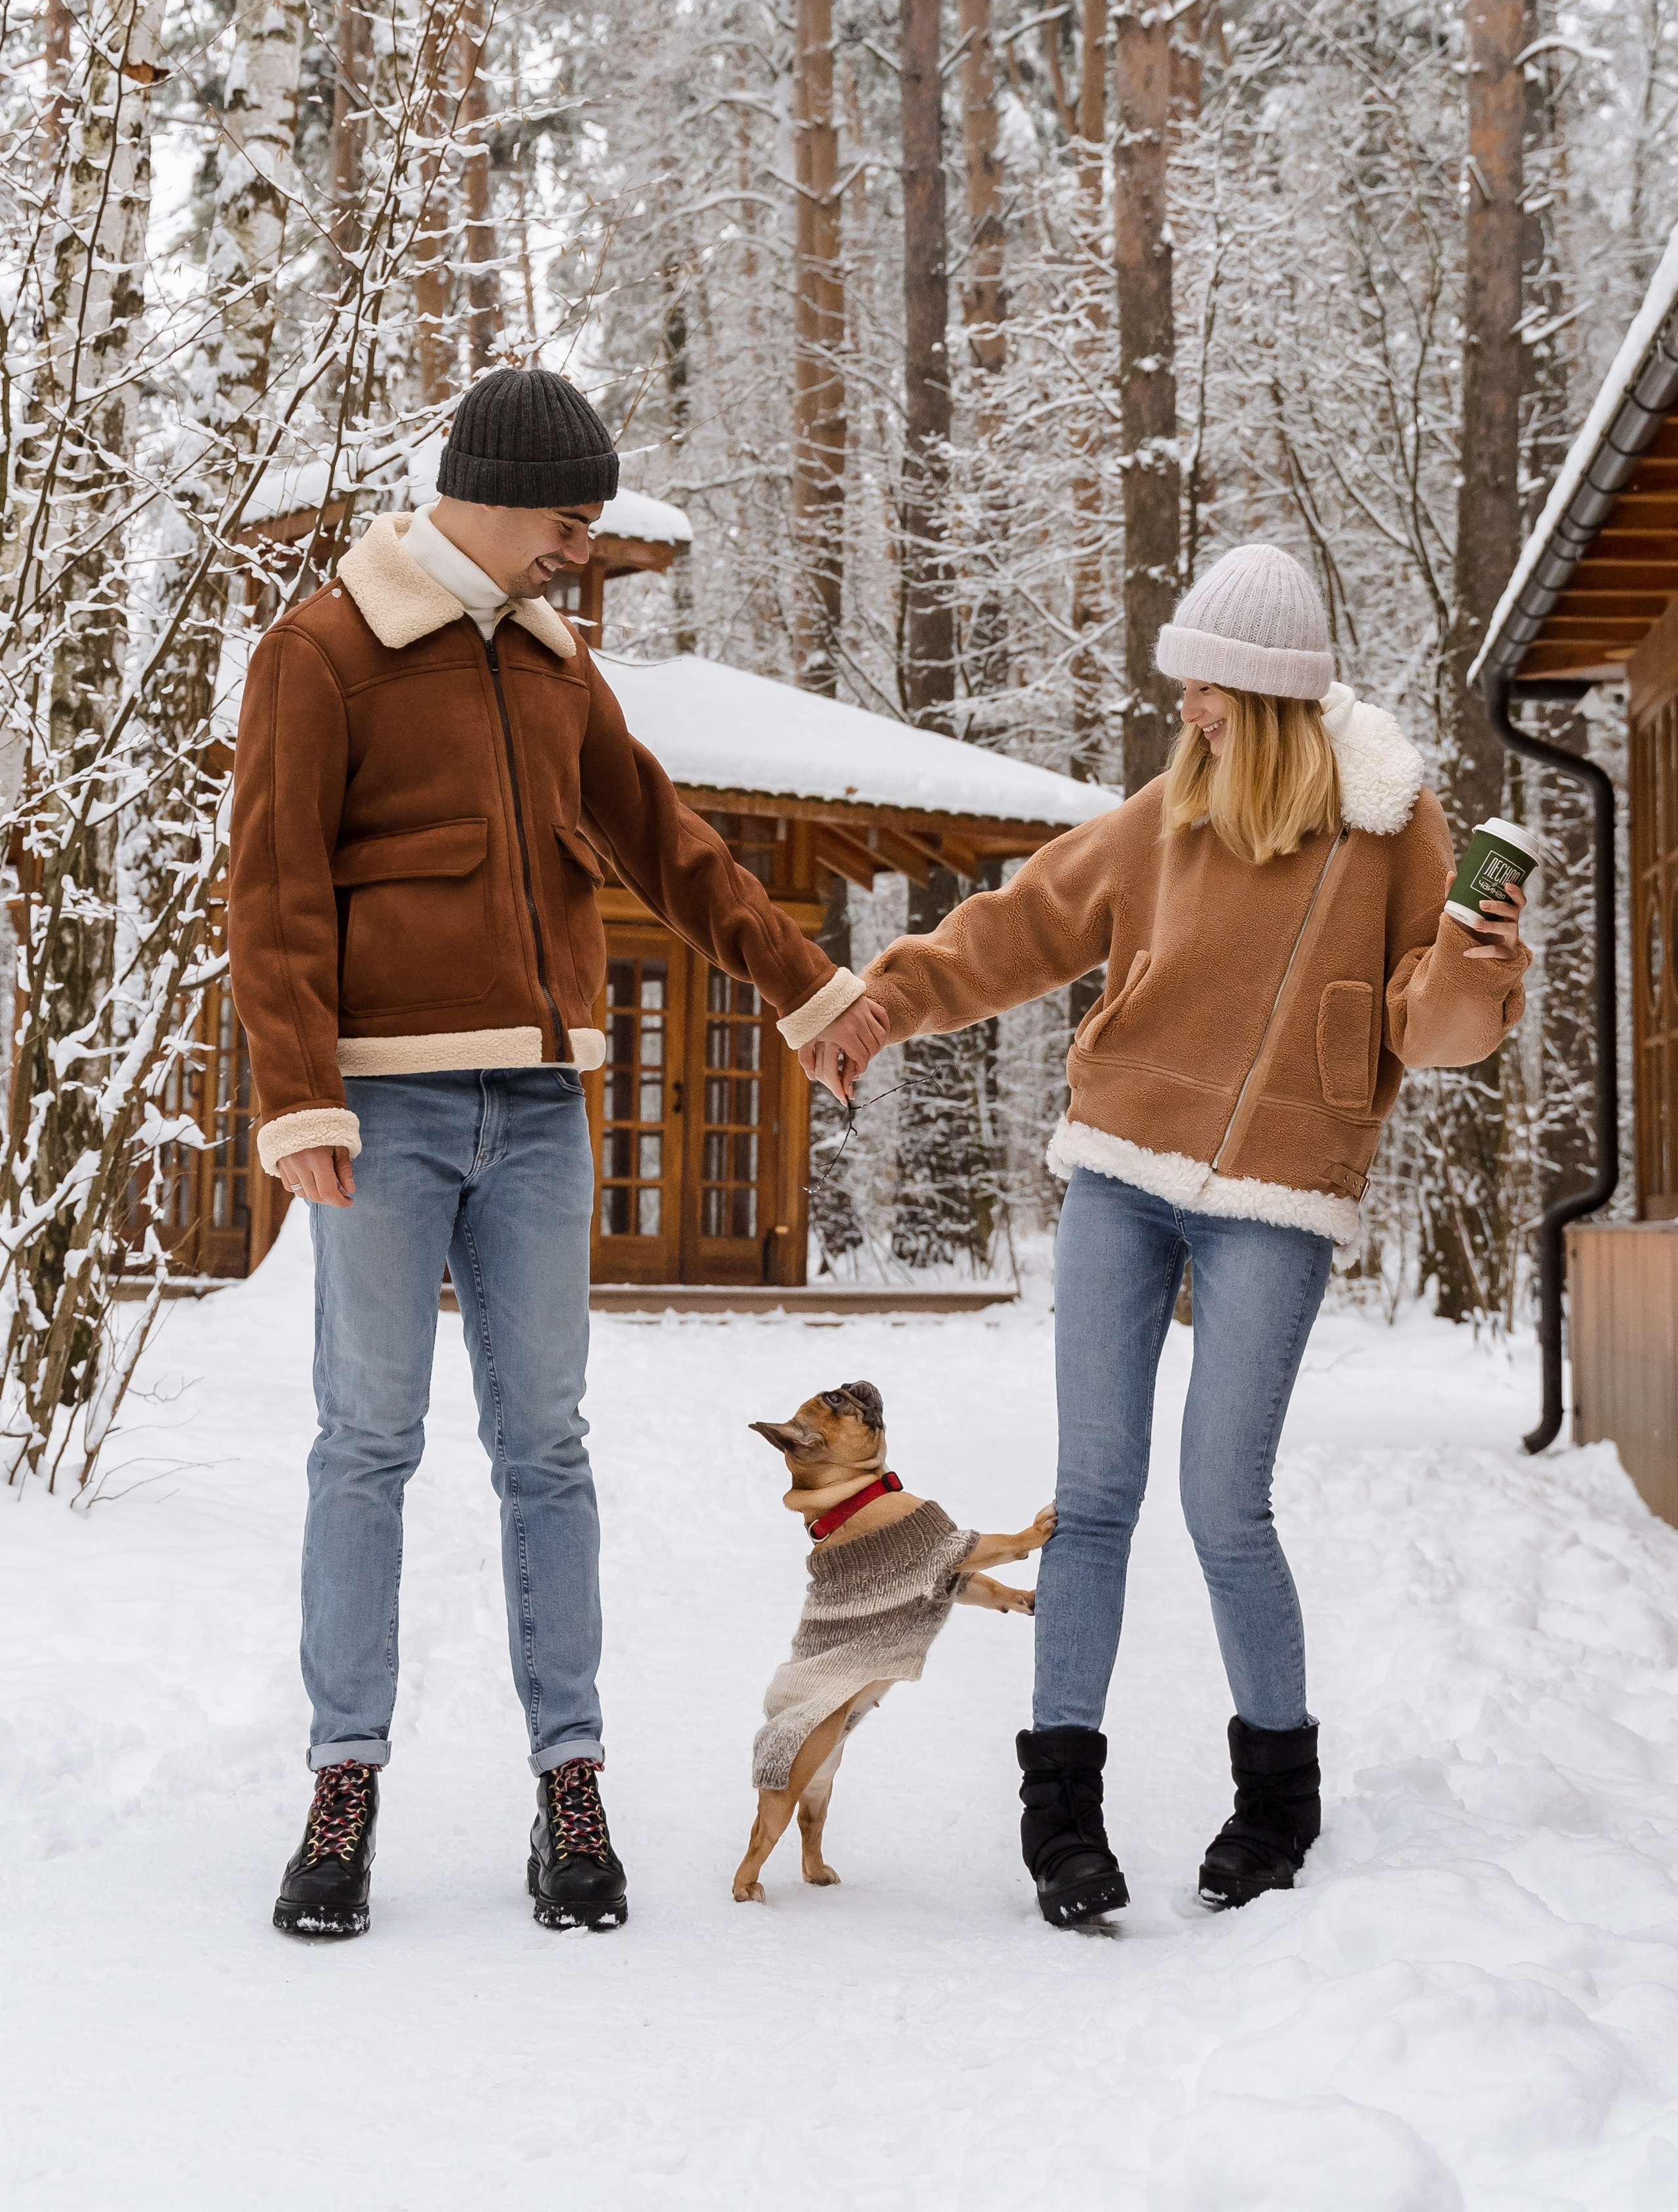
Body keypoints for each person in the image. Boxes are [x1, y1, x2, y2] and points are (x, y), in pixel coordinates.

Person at [229, 365, 887, 1940]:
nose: (578, 557)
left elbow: (670, 842)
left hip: (535, 1112)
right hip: (378, 1113)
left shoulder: (552, 666)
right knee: (365, 1444)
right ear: (492, 493)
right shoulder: (324, 651)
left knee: (547, 1451)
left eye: (590, 531)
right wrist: (299, 1096)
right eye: (567, 525)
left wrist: (811, 994)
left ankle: (567, 1783)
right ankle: (343, 1786)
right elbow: (272, 890)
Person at [800, 542, 1528, 1927]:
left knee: (1222, 1505)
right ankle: (1059, 1809)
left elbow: (1429, 1036)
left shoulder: (1392, 829)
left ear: (1261, 697)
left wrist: (1474, 964)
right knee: (1095, 1496)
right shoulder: (1166, 812)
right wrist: (886, 1002)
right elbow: (1024, 925)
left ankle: (1275, 1800)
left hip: (1277, 1195)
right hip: (1124, 1172)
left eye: (1203, 685)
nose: (1183, 704)